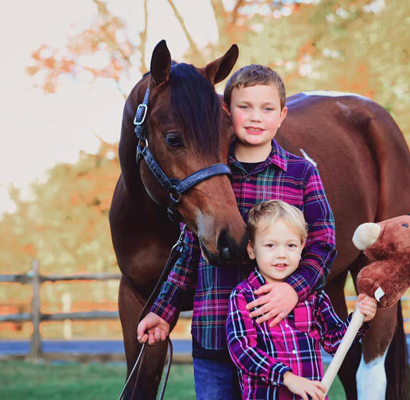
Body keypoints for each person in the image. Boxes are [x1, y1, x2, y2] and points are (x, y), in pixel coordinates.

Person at [137, 64, 337, 399]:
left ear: (282, 115)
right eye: (245, 107)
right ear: (227, 112)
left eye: (267, 108)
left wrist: (293, 290)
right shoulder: (209, 175)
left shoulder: (301, 174)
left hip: (280, 342)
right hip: (215, 337)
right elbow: (190, 249)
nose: (256, 117)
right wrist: (163, 311)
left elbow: (324, 244)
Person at [227, 200, 377, 400]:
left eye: (291, 245)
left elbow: (335, 342)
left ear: (302, 248)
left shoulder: (313, 296)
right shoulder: (243, 295)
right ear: (252, 249)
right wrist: (287, 377)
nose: (281, 254)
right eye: (270, 245)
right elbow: (242, 351)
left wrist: (360, 318)